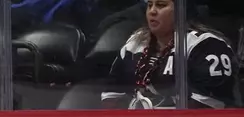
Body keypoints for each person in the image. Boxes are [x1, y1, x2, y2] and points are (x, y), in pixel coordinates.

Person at [101, 0, 240, 109]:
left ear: (182, 10)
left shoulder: (208, 46)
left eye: (161, 5)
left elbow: (207, 106)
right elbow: (113, 96)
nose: (152, 11)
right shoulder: (134, 44)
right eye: (149, 5)